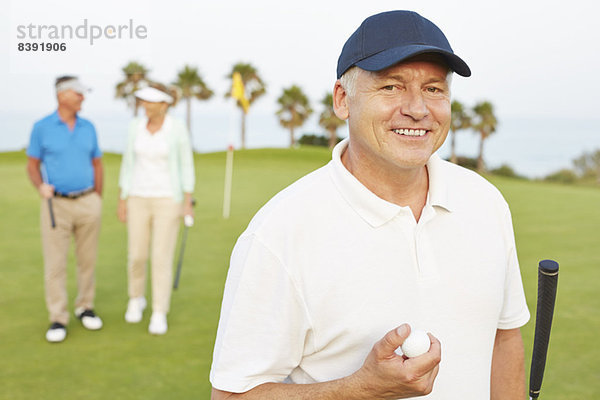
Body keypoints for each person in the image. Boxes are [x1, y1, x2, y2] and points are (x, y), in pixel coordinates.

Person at [210, 10, 530, 399]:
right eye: (391, 87)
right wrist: (358, 389)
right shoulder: (280, 232)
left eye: (433, 89)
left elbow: (503, 340)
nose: (417, 108)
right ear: (343, 100)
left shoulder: (486, 202)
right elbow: (231, 396)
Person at [26, 76, 104, 343]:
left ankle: (85, 306)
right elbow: (32, 165)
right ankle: (58, 318)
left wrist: (97, 198)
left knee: (87, 261)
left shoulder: (88, 127)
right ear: (62, 96)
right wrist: (40, 186)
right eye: (78, 94)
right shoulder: (42, 127)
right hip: (55, 204)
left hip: (87, 202)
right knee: (55, 264)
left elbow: (97, 164)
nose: (83, 98)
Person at [117, 85, 195, 335]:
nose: (146, 107)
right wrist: (122, 197)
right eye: (144, 102)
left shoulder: (177, 128)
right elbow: (128, 163)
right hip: (137, 197)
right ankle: (135, 297)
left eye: (151, 103)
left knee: (161, 257)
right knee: (137, 254)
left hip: (167, 200)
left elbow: (186, 164)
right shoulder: (135, 127)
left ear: (164, 105)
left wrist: (187, 201)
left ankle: (159, 311)